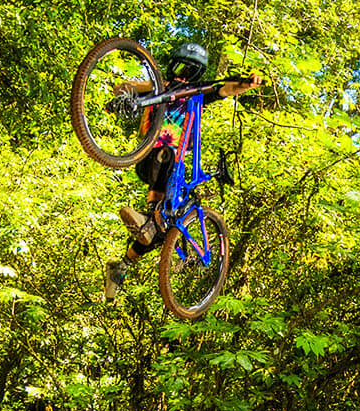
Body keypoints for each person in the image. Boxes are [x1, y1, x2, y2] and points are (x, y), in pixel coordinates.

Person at [104, 42, 263, 300]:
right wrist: (145, 89)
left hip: (175, 165)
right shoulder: (159, 88)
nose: (181, 78)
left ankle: (121, 265)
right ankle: (148, 221)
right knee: (166, 161)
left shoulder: (198, 93)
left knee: (161, 229)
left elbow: (226, 88)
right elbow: (123, 87)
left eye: (187, 74)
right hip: (153, 155)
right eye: (179, 72)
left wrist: (247, 84)